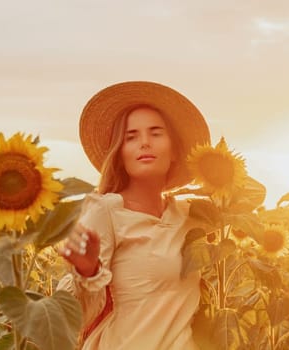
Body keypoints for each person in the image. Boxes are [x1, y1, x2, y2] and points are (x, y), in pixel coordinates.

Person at [57, 81, 211, 349]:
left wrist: (215, 173)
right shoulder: (107, 211)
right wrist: (87, 271)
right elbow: (78, 317)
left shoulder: (191, 216)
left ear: (175, 150)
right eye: (131, 137)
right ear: (120, 153)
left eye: (155, 133)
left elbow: (246, 197)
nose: (144, 143)